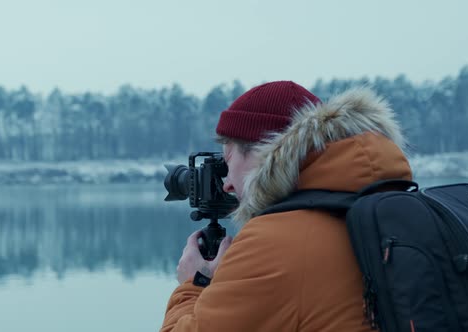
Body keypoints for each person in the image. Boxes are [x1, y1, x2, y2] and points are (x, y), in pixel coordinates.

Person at [160, 81, 412, 332]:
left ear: (264, 152)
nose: (226, 184)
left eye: (228, 159)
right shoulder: (393, 212)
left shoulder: (273, 244)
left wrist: (194, 284)